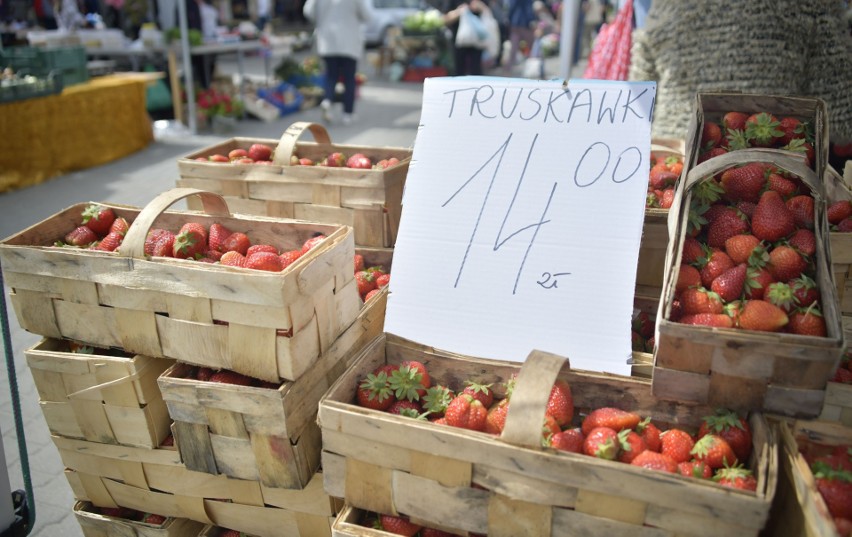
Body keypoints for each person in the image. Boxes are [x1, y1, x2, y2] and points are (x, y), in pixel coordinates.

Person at [629, 0, 852, 145]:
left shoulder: (663, 6)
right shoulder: (812, 5)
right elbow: (840, 112)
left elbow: (638, 101)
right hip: (774, 160)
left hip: (674, 156)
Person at [303, 0, 370, 125]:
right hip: (349, 41)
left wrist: (322, 18)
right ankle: (347, 114)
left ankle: (327, 101)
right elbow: (367, 15)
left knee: (331, 75)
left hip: (327, 41)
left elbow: (308, 11)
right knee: (349, 78)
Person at [444, 0, 492, 76]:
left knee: (476, 70)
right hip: (457, 40)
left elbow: (489, 13)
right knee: (459, 71)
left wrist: (481, 7)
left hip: (477, 41)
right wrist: (459, 12)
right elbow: (445, 19)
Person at [505, 0, 535, 72]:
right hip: (524, 22)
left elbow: (511, 8)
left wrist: (509, 19)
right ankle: (535, 68)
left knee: (514, 48)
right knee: (532, 46)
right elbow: (528, 8)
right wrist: (531, 20)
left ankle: (508, 69)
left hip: (516, 22)